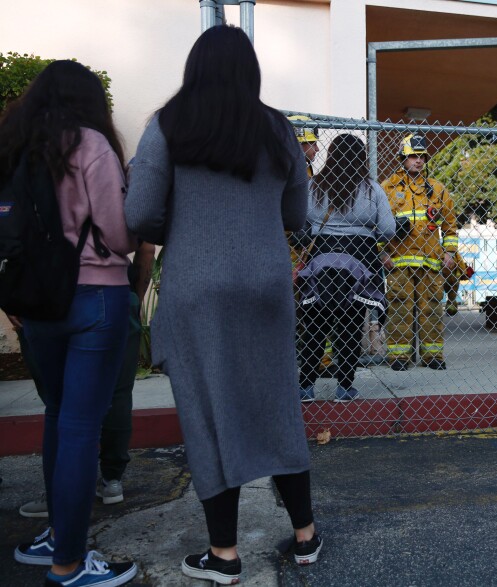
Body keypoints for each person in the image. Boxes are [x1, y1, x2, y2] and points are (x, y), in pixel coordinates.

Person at [124, 25, 322, 584]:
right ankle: (306, 535)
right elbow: (296, 216)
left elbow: (139, 213)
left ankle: (224, 555)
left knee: (209, 411)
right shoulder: (278, 128)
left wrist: (183, 223)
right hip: (265, 285)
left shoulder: (167, 125)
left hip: (197, 287)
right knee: (276, 402)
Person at [2, 60, 138, 586]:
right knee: (82, 427)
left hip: (35, 301)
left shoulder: (14, 144)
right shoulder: (91, 146)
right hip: (93, 299)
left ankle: (55, 538)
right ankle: (69, 565)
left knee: (58, 417)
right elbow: (118, 234)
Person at [14, 240, 155, 518]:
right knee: (116, 390)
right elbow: (146, 243)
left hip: (42, 292)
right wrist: (135, 296)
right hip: (109, 288)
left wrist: (12, 294)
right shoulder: (111, 193)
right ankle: (112, 480)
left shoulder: (32, 193)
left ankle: (60, 495)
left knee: (58, 402)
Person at [297, 133, 396, 401]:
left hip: (321, 259)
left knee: (316, 325)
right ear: (362, 157)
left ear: (331, 155)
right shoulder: (372, 189)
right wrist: (368, 233)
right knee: (350, 326)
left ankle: (305, 386)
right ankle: (344, 387)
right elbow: (388, 229)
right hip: (360, 261)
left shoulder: (314, 185)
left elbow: (299, 221)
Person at [381, 134, 458, 371]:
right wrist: (381, 254)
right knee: (400, 309)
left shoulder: (437, 189)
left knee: (432, 309)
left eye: (422, 156)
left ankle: (432, 355)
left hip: (431, 262)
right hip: (399, 262)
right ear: (403, 158)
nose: (418, 161)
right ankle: (399, 357)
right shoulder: (388, 188)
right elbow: (376, 225)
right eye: (413, 156)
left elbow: (450, 225)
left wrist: (450, 252)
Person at [286, 115, 335, 374]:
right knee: (292, 304)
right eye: (312, 143)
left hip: (304, 247)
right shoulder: (284, 167)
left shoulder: (305, 169)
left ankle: (319, 361)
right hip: (287, 247)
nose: (317, 149)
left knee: (313, 302)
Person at [442, 251, 473, 316]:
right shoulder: (455, 253)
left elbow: (460, 263)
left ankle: (450, 310)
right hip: (453, 278)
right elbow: (461, 263)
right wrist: (464, 272)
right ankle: (451, 310)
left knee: (451, 296)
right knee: (452, 296)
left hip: (449, 277)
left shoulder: (448, 253)